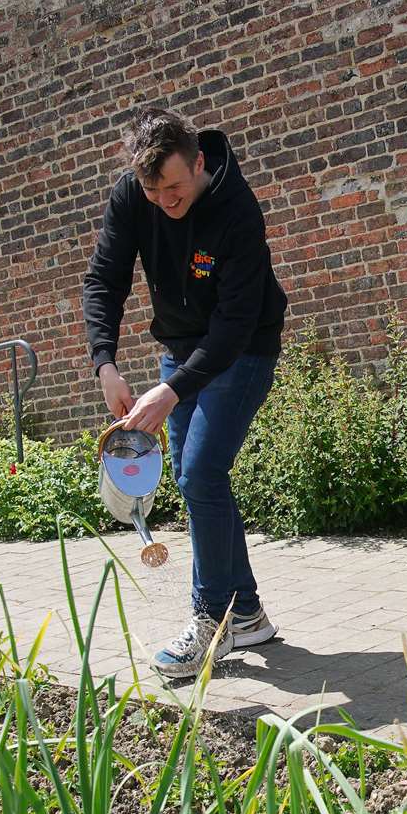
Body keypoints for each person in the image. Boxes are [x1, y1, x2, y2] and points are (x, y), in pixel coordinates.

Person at [82, 107, 289, 678]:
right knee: (199, 480)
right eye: (152, 191)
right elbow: (104, 280)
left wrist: (169, 391)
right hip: (179, 348)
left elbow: (234, 323)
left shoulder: (237, 212)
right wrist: (106, 365)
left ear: (198, 163)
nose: (164, 202)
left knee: (199, 472)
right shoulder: (135, 196)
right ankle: (246, 612)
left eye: (173, 188)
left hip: (242, 349)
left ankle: (211, 620)